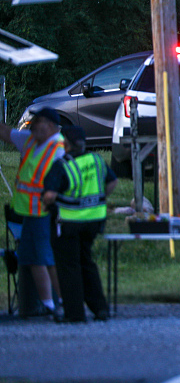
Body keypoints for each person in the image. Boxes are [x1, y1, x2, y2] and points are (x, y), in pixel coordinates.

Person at [41, 125, 116, 323]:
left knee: (69, 267)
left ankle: (74, 314)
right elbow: (112, 182)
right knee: (86, 262)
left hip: (68, 223)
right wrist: (97, 200)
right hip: (93, 222)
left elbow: (49, 195)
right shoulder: (96, 160)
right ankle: (100, 309)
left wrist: (47, 202)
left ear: (65, 143)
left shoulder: (62, 165)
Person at [0, 107, 65, 318]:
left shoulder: (57, 147)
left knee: (43, 259)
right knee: (32, 258)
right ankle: (51, 304)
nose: (34, 125)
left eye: (39, 122)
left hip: (43, 213)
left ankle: (58, 303)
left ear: (52, 126)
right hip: (27, 211)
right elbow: (7, 133)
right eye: (33, 121)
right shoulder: (30, 140)